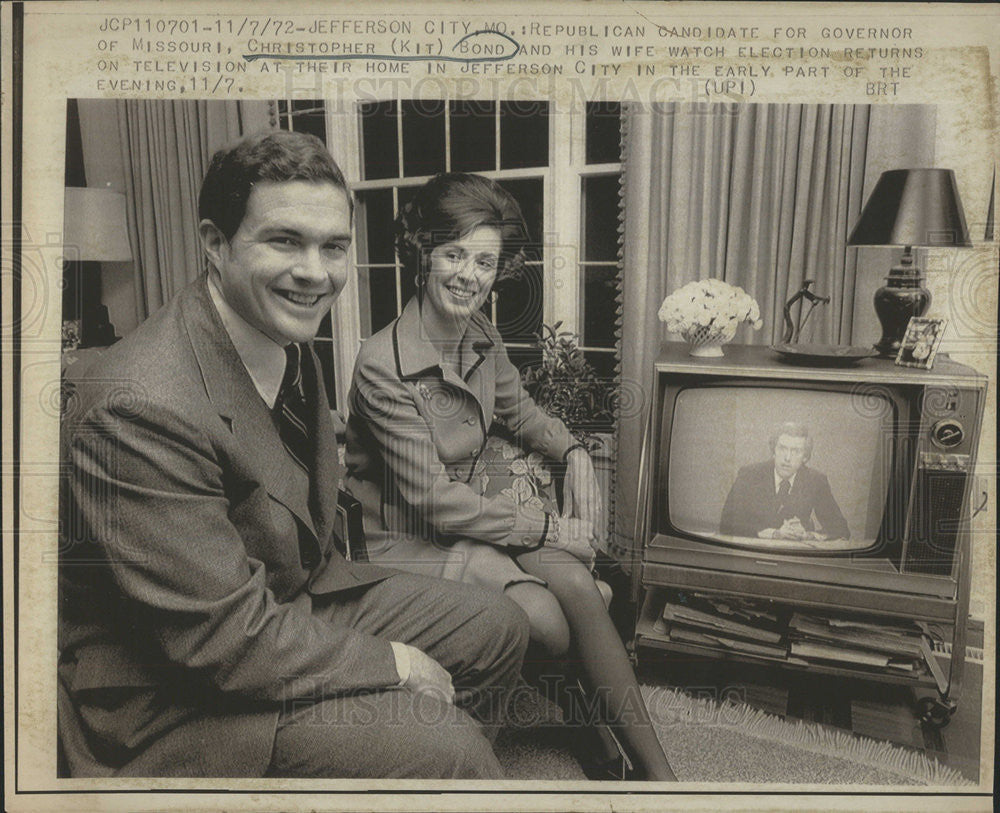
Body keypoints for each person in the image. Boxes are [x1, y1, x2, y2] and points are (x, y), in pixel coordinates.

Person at [57, 131, 530, 779]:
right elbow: (221, 639)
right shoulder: (139, 404)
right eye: (284, 240)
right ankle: (431, 760)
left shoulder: (283, 334)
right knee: (445, 745)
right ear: (215, 242)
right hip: (172, 688)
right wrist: (391, 664)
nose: (315, 271)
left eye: (333, 246)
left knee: (497, 623)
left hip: (290, 596)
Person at [343, 173, 675, 781]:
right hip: (407, 538)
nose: (470, 274)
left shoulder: (481, 336)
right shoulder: (379, 364)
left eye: (486, 261)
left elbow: (522, 414)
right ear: (423, 255)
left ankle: (659, 780)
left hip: (474, 518)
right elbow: (432, 502)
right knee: (548, 623)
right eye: (454, 254)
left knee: (576, 586)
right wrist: (546, 527)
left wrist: (573, 449)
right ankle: (594, 741)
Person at [719, 422, 850, 541]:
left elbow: (841, 529)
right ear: (773, 450)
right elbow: (726, 523)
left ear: (805, 457)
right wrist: (774, 533)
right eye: (782, 448)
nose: (787, 458)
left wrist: (808, 535)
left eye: (796, 451)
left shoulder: (816, 481)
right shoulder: (749, 475)